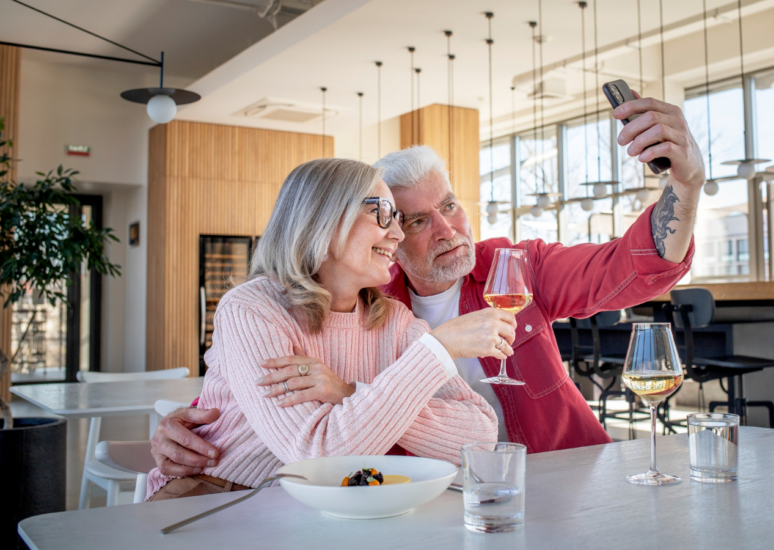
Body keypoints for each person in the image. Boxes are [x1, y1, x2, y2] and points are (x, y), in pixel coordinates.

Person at [150, 93, 703, 476]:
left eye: (450, 205)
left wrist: (686, 184)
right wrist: (178, 430)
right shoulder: (367, 302)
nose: (446, 230)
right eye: (413, 219)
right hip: (426, 494)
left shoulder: (512, 267)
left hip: (558, 468)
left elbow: (630, 266)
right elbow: (271, 392)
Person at [145, 158, 510, 500]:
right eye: (381, 214)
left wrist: (347, 391)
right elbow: (314, 454)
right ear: (322, 221)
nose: (397, 233)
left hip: (321, 506)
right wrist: (437, 351)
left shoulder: (394, 321)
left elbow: (480, 435)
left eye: (396, 217)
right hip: (213, 500)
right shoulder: (251, 309)